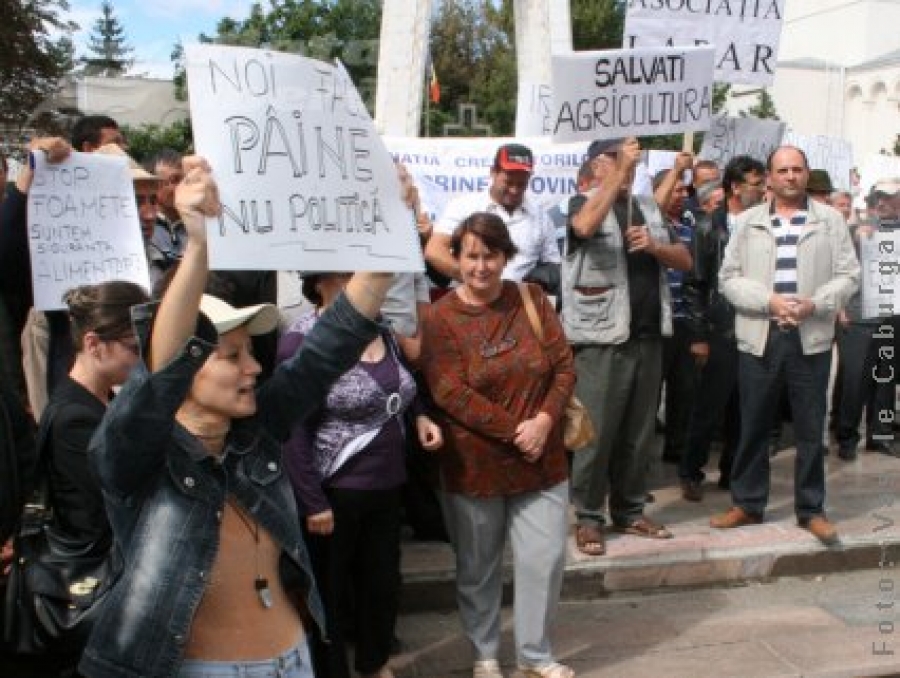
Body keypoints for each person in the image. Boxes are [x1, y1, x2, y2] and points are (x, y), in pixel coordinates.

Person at [78, 157, 397, 678]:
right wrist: (200, 246)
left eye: (251, 351)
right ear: (187, 368)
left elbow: (327, 351)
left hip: (294, 661)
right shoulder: (135, 457)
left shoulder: (255, 436)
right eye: (230, 355)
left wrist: (389, 244)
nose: (253, 367)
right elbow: (162, 369)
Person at [421, 213, 576, 678]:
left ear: (507, 256)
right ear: (457, 258)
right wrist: (518, 430)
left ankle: (535, 656)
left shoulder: (531, 299)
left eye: (491, 256)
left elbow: (564, 366)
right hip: (472, 465)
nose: (482, 267)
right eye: (472, 256)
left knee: (544, 561)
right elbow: (449, 390)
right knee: (478, 567)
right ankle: (485, 653)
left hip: (542, 459)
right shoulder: (439, 316)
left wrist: (545, 420)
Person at [279, 272, 442, 678]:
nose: (361, 282)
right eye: (348, 276)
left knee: (380, 585)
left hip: (387, 486)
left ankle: (374, 663)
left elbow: (402, 386)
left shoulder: (382, 328)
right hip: (333, 493)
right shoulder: (302, 339)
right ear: (319, 284)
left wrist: (420, 416)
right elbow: (292, 429)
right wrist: (312, 501)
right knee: (330, 593)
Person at [710, 145, 859, 546]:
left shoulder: (830, 221)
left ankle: (811, 509)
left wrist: (816, 304)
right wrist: (769, 301)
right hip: (761, 334)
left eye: (797, 169)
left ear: (806, 174)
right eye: (783, 170)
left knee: (811, 428)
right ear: (771, 178)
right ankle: (747, 502)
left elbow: (849, 275)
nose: (791, 176)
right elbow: (729, 278)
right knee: (753, 422)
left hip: (810, 337)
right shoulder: (748, 222)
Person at [563, 137, 691, 557]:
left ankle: (630, 509)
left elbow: (685, 260)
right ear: (595, 165)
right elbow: (583, 228)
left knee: (638, 433)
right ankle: (587, 517)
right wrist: (619, 174)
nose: (627, 167)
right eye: (616, 159)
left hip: (649, 334)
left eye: (630, 160)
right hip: (602, 338)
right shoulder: (580, 203)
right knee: (596, 433)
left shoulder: (648, 207)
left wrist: (655, 247)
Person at [679, 155, 766, 501]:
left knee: (745, 409)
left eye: (762, 183)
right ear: (734, 187)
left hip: (755, 326)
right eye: (755, 183)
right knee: (708, 408)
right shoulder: (707, 227)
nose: (762, 190)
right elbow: (694, 284)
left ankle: (733, 473)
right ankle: (691, 471)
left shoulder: (765, 224)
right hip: (719, 330)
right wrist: (700, 336)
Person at [424, 143, 560, 287]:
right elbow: (434, 251)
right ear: (493, 172)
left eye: (521, 184)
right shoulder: (464, 207)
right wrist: (475, 280)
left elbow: (552, 264)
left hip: (518, 304)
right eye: (508, 182)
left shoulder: (541, 218)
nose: (514, 190)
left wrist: (542, 278)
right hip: (470, 302)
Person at [146, 148, 187, 264]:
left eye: (187, 179)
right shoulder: (145, 230)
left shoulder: (204, 224)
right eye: (175, 180)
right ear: (154, 186)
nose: (184, 185)